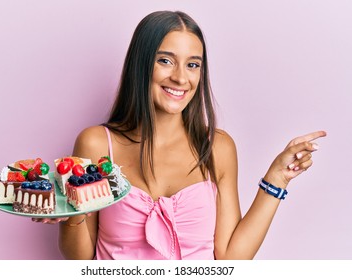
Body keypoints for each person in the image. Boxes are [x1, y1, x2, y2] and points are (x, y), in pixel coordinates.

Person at [33, 10, 326, 260]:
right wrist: (72, 214)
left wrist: (277, 179)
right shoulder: (96, 144)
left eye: (193, 65)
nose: (181, 78)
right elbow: (80, 259)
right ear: (141, 64)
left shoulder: (217, 147)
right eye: (165, 60)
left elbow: (231, 258)